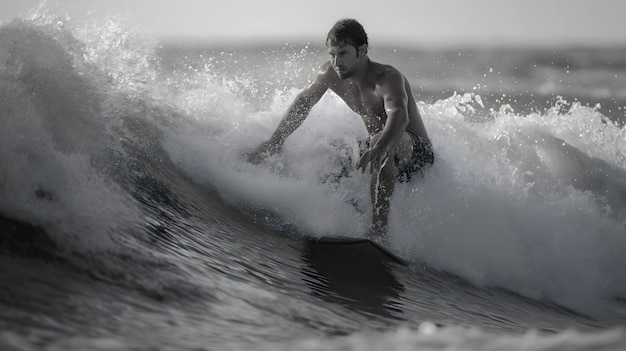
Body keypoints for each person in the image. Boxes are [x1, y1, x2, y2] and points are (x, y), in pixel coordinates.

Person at [247, 18, 434, 242]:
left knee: (376, 142)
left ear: (362, 50)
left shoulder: (387, 78)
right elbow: (304, 101)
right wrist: (275, 141)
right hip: (378, 150)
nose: (336, 61)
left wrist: (382, 145)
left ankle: (379, 233)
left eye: (343, 53)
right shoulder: (330, 74)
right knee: (333, 156)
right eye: (332, 54)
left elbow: (399, 116)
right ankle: (335, 223)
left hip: (415, 153)